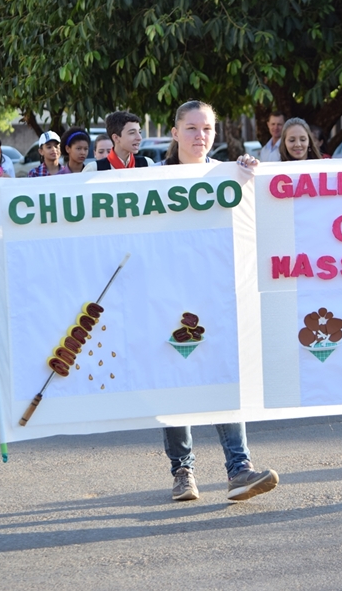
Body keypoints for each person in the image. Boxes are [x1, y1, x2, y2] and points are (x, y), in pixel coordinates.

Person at [161, 99, 279, 501]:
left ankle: (239, 468)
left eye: (207, 128)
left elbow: (256, 224)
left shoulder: (230, 176)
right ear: (175, 132)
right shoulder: (148, 183)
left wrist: (251, 179)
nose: (200, 136)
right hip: (167, 300)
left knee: (225, 379)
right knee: (176, 385)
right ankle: (182, 471)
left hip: (218, 298)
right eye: (191, 128)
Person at [83, 112, 153, 171]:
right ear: (116, 138)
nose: (139, 138)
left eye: (139, 132)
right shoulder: (94, 169)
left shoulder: (147, 164)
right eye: (132, 133)